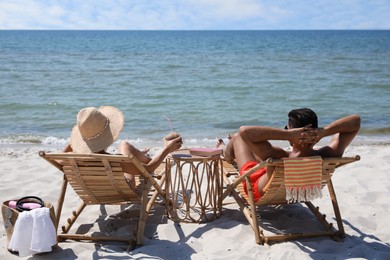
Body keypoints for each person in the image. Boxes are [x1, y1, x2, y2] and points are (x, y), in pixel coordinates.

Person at [218, 108, 361, 202]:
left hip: (257, 189)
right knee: (260, 155)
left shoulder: (279, 156)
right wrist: (324, 131)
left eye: (287, 128)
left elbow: (245, 132)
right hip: (279, 179)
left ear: (291, 131)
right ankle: (226, 147)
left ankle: (225, 151)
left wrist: (287, 135)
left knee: (238, 137)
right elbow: (355, 121)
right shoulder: (327, 154)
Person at [64, 106, 183, 189]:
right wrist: (167, 149)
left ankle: (143, 156)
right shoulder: (114, 162)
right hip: (123, 188)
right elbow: (147, 170)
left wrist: (82, 138)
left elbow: (61, 157)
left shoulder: (70, 159)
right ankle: (146, 158)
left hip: (98, 189)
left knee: (123, 145)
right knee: (124, 149)